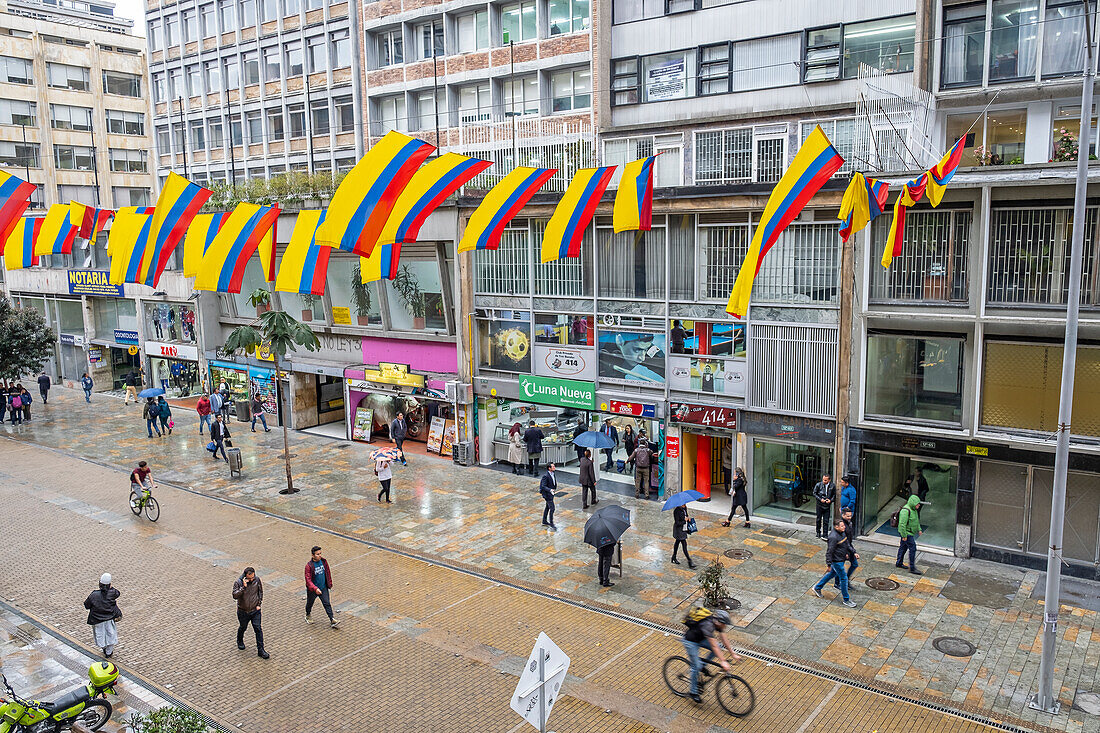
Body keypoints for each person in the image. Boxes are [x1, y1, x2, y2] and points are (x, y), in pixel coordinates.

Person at [681, 608, 739, 704]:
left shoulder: (718, 624)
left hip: (701, 639)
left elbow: (724, 640)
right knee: (696, 666)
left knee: (719, 647)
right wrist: (723, 661)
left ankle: (702, 665)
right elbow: (713, 645)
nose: (725, 626)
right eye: (724, 624)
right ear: (718, 622)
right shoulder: (708, 625)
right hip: (690, 642)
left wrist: (733, 654)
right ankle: (693, 692)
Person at [812, 518, 857, 608]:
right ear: (836, 527)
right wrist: (829, 564)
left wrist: (853, 552)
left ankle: (817, 587)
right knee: (843, 579)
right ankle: (846, 599)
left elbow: (846, 544)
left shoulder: (842, 532)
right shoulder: (833, 537)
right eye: (842, 526)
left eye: (844, 525)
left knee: (832, 574)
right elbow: (829, 551)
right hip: (837, 561)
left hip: (841, 558)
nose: (844, 527)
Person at [232, 567, 268, 658]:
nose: (252, 579)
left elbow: (260, 593)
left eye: (253, 577)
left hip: (255, 611)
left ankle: (261, 650)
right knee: (243, 627)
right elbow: (235, 595)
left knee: (258, 629)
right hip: (243, 611)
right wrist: (243, 587)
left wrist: (259, 604)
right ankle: (240, 640)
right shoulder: (238, 583)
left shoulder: (257, 580)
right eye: (250, 578)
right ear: (245, 576)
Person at [84, 573, 121, 658]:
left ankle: (104, 648)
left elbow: (87, 605)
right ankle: (109, 652)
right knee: (111, 634)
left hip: (97, 620)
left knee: (100, 635)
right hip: (109, 619)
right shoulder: (112, 593)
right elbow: (117, 593)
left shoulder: (93, 595)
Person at [304, 546, 339, 628]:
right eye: (317, 554)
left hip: (323, 587)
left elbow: (327, 572)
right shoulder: (309, 566)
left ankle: (332, 619)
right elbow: (308, 580)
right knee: (310, 603)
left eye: (320, 553)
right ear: (313, 556)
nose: (320, 555)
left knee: (327, 603)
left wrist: (329, 583)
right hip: (313, 590)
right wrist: (315, 588)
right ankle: (308, 615)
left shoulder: (323, 562)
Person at [895, 494, 923, 575]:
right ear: (913, 503)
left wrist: (919, 529)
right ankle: (912, 568)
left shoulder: (914, 510)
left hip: (909, 533)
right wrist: (904, 536)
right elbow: (902, 525)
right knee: (912, 548)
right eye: (917, 504)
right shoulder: (905, 511)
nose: (919, 505)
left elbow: (916, 520)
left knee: (903, 547)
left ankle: (899, 562)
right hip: (907, 533)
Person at [671, 503, 696, 568]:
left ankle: (674, 557)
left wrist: (688, 519)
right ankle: (689, 561)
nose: (684, 505)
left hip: (684, 529)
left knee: (677, 542)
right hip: (679, 530)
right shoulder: (676, 511)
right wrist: (685, 521)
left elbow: (686, 516)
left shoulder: (685, 508)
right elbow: (677, 522)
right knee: (684, 544)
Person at [839, 507, 859, 584]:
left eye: (850, 516)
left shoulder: (849, 523)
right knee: (839, 568)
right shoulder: (842, 525)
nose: (849, 518)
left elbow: (848, 541)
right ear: (843, 515)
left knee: (854, 564)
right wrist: (852, 552)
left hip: (848, 547)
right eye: (847, 516)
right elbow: (845, 541)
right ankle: (839, 583)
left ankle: (845, 581)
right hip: (843, 549)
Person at [813, 473, 835, 540]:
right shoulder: (818, 485)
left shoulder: (832, 486)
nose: (824, 481)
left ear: (829, 480)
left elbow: (834, 495)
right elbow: (814, 493)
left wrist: (830, 500)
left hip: (827, 505)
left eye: (825, 480)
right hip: (819, 505)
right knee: (818, 519)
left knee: (826, 520)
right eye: (823, 480)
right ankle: (818, 532)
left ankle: (825, 534)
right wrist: (820, 499)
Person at [539, 462, 557, 529]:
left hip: (551, 494)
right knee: (552, 508)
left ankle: (544, 520)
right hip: (547, 495)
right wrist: (550, 490)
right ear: (549, 468)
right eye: (553, 466)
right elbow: (543, 486)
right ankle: (551, 523)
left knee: (547, 507)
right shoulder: (545, 476)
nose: (554, 467)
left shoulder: (553, 474)